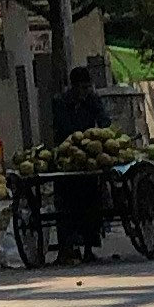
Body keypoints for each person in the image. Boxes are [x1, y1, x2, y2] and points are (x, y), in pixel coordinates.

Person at [50, 61, 108, 260]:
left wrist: (101, 137)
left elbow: (104, 120)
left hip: (89, 155)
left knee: (92, 201)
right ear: (73, 87)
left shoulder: (93, 100)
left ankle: (89, 248)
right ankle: (67, 247)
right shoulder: (60, 102)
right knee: (65, 202)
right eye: (82, 88)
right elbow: (62, 129)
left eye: (87, 87)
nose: (85, 91)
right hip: (67, 154)